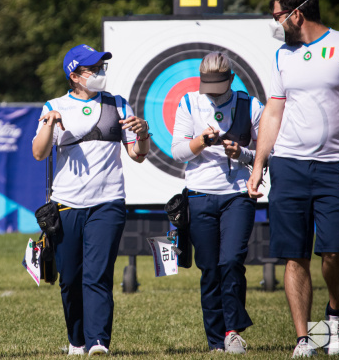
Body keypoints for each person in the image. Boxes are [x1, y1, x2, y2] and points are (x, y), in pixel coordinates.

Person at [247, 0, 339, 357]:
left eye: (277, 16)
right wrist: (259, 165)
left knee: (334, 250)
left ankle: (334, 311)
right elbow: (274, 110)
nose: (275, 24)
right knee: (294, 254)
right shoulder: (281, 56)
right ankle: (304, 337)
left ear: (296, 14)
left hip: (335, 166)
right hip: (288, 165)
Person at [32, 44, 150, 356]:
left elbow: (137, 155)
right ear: (74, 75)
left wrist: (145, 131)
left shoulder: (118, 103)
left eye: (100, 67)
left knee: (97, 274)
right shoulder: (54, 105)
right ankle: (77, 341)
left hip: (108, 202)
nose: (99, 73)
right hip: (67, 205)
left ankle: (98, 342)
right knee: (70, 279)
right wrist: (49, 122)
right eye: (92, 69)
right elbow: (39, 152)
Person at [171, 52, 264, 354]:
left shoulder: (251, 106)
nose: (209, 92)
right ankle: (216, 342)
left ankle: (233, 331)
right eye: (205, 84)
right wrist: (201, 141)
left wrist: (243, 154)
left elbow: (266, 153)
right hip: (198, 195)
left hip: (237, 194)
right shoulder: (188, 102)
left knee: (231, 261)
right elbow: (178, 151)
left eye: (217, 85)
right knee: (210, 268)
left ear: (231, 79)